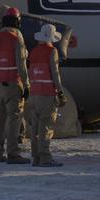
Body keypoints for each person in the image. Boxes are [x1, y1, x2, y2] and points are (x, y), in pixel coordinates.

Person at [0, 7, 29, 164]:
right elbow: (21, 66)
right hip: (12, 84)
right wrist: (27, 85)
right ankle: (13, 154)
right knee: (14, 120)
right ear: (17, 21)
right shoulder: (15, 39)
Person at [26, 23, 67, 167]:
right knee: (46, 126)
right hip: (47, 93)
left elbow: (30, 71)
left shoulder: (34, 52)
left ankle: (36, 157)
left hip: (35, 92)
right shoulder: (52, 51)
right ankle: (45, 157)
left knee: (35, 127)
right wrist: (60, 91)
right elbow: (55, 73)